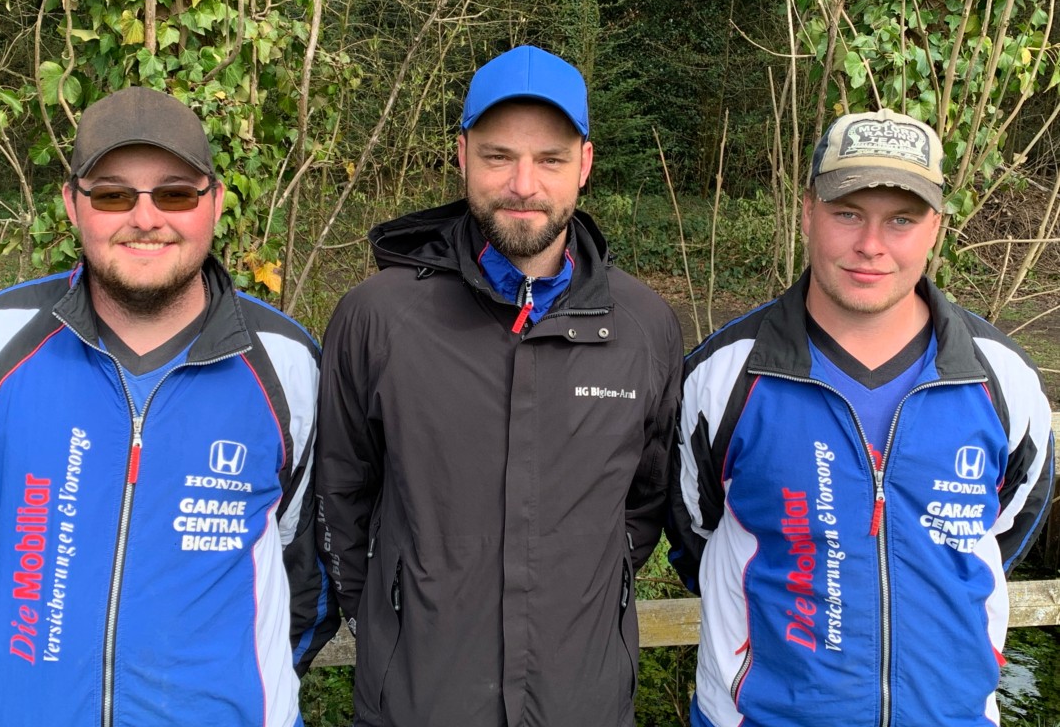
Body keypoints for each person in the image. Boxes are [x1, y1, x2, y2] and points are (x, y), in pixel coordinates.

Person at [315, 45, 683, 726]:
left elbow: (643, 503)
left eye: (549, 159)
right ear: (461, 156)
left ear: (585, 165)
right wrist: (392, 623)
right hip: (417, 703)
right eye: (498, 156)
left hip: (584, 703)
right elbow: (340, 494)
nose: (523, 183)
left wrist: (582, 601)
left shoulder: (643, 328)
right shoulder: (377, 318)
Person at [667, 108, 1055, 726]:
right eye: (847, 213)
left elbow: (1004, 530)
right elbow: (695, 536)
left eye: (901, 219)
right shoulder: (722, 379)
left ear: (935, 228)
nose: (871, 245)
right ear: (807, 212)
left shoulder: (1002, 380)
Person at [0, 86, 338, 726]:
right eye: (113, 195)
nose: (146, 218)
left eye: (176, 194)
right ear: (72, 204)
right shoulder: (1, 340)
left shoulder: (290, 365)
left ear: (215, 202)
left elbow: (309, 574)